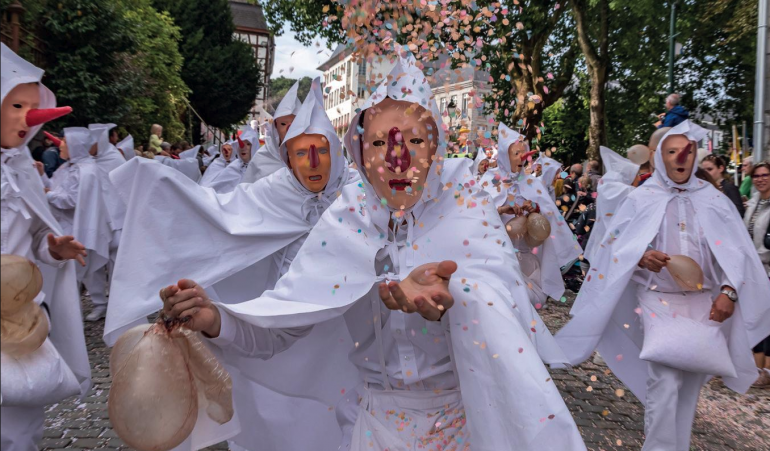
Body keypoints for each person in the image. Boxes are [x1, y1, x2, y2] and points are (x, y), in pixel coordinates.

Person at [150, 50, 587, 451]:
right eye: (379, 143)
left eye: (414, 141)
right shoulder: (347, 220)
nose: (397, 158)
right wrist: (214, 319)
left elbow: (507, 303)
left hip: (465, 426)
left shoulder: (466, 203)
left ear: (434, 147)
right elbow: (282, 324)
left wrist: (456, 294)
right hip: (375, 429)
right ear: (359, 152)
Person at [557, 120, 770, 451]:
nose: (680, 158)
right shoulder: (643, 198)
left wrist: (729, 292)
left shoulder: (714, 200)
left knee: (688, 388)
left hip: (704, 305)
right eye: (672, 151)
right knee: (665, 382)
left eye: (687, 151)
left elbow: (736, 253)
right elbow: (613, 245)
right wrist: (641, 255)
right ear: (660, 157)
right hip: (657, 300)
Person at [1, 42, 91, 451]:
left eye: (30, 107)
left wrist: (52, 248)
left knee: (20, 419)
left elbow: (33, 237)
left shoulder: (22, 167)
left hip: (18, 318)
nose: (28, 118)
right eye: (16, 106)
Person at [483, 123, 581, 309]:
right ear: (505, 155)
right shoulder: (489, 180)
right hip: (497, 257)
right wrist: (503, 210)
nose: (522, 158)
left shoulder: (532, 183)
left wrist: (533, 208)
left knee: (530, 302)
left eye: (523, 152)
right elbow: (478, 216)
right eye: (516, 153)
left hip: (526, 257)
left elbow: (548, 216)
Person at [46, 127, 123, 322]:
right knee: (82, 271)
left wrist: (47, 194)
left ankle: (82, 313)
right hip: (69, 225)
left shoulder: (86, 170)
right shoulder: (71, 167)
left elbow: (72, 199)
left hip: (80, 226)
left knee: (80, 271)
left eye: (64, 141)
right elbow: (59, 189)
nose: (60, 144)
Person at [242, 80, 302, 183]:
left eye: (294, 124)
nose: (289, 129)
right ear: (275, 126)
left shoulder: (311, 153)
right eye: (283, 124)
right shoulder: (263, 157)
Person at [744, 161, 770, 388]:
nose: (761, 179)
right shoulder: (753, 203)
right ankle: (757, 368)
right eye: (757, 176)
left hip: (768, 268)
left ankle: (767, 371)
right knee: (756, 318)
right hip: (755, 271)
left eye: (765, 175)